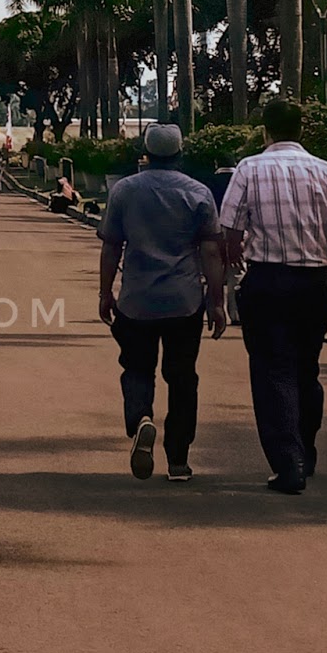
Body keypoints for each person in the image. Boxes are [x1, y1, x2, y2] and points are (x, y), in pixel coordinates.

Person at [219, 97, 327, 495]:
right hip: (315, 283)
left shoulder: (248, 169)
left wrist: (235, 263)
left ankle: (287, 463)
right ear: (301, 130)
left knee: (272, 370)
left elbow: (230, 229)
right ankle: (306, 450)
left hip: (267, 282)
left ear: (265, 131)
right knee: (306, 368)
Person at [98, 122, 227, 483]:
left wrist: (105, 292)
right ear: (180, 154)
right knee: (182, 377)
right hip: (185, 300)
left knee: (138, 368)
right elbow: (212, 252)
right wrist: (217, 301)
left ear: (146, 153)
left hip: (136, 299)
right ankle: (179, 460)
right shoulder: (198, 194)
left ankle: (141, 417)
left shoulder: (124, 191)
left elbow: (111, 246)